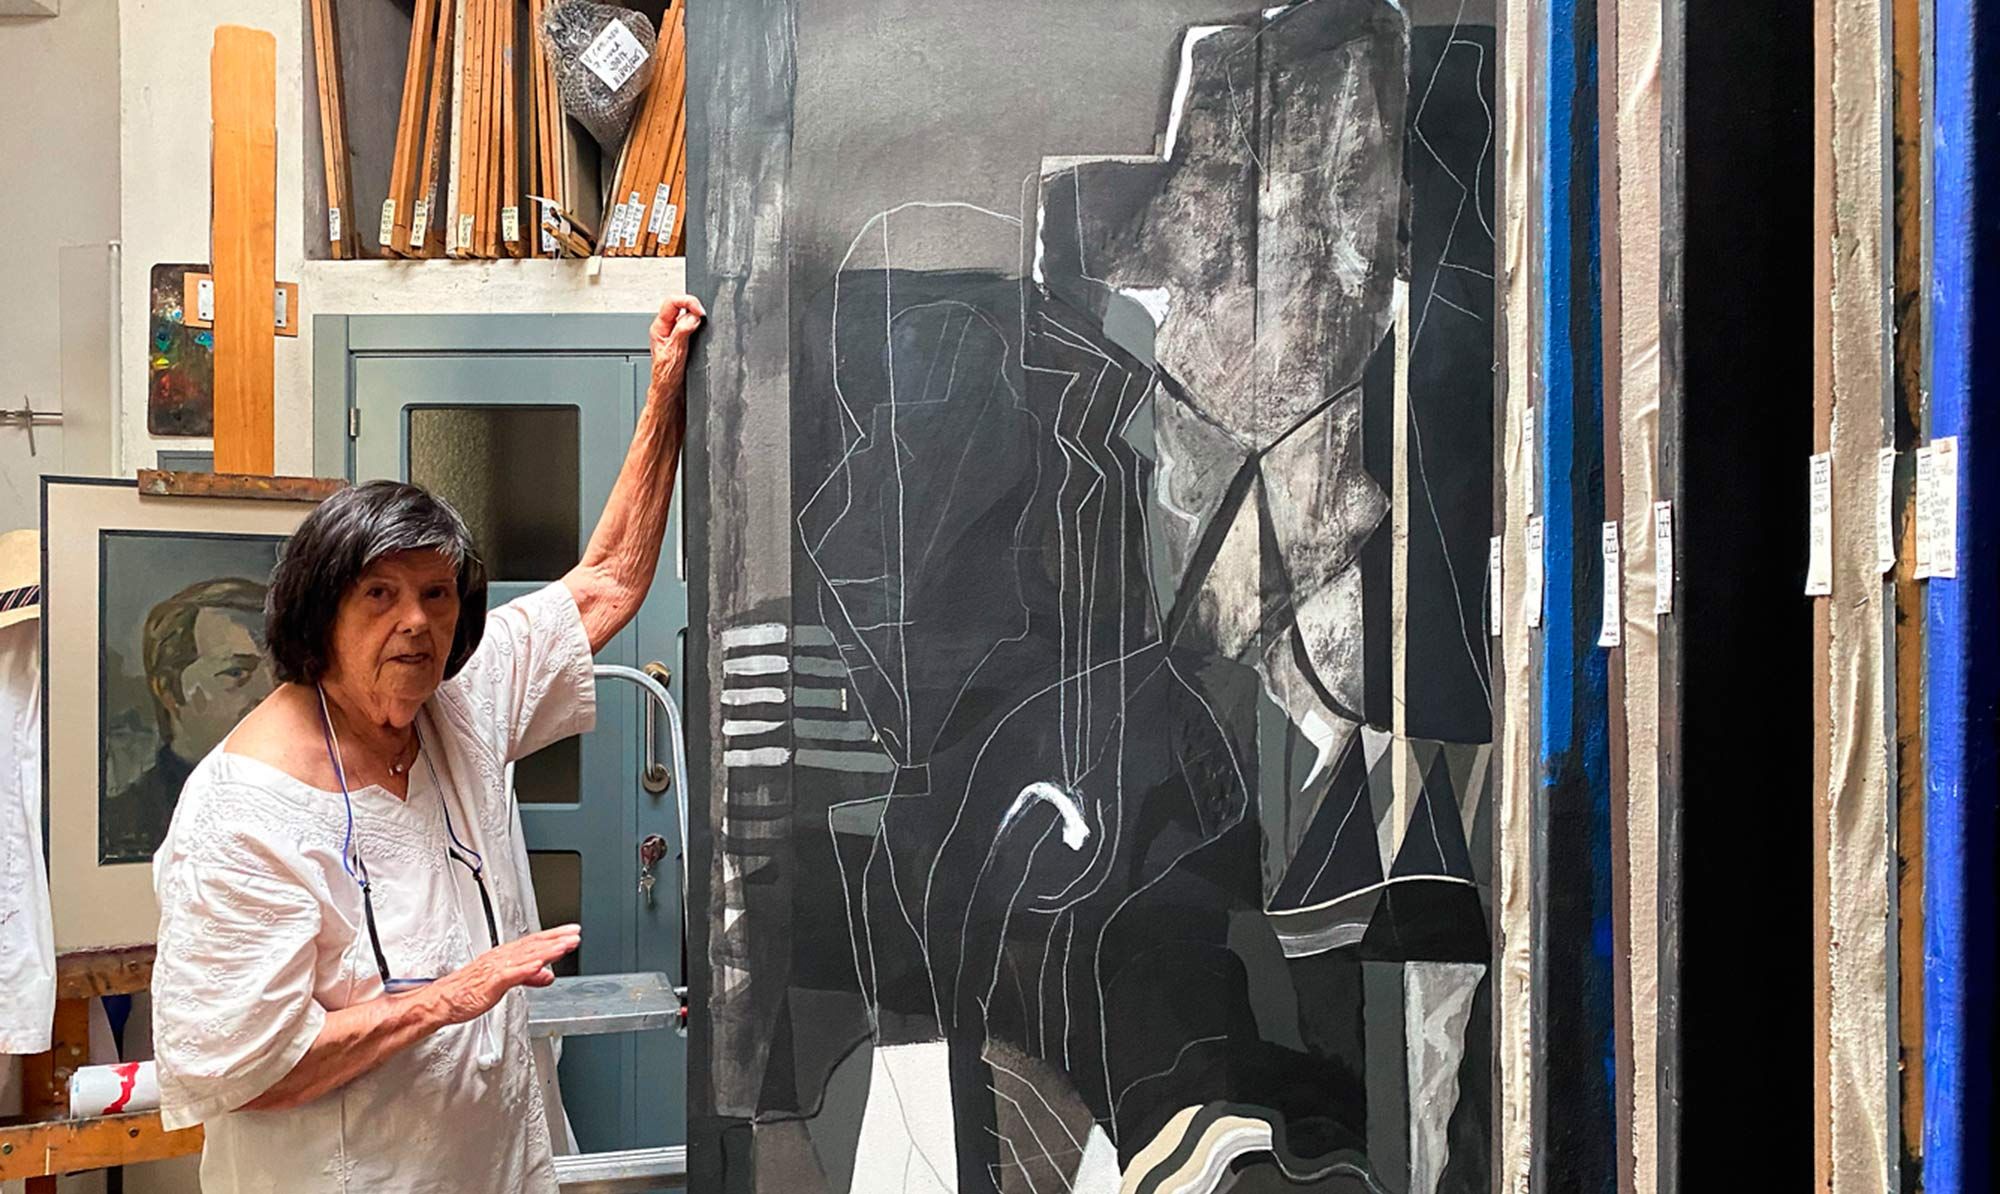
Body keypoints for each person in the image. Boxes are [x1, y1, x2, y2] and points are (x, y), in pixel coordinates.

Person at [149, 294, 704, 1193]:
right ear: (319, 614)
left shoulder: (459, 702)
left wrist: (666, 391)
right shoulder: (242, 816)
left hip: (497, 1164)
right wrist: (450, 997)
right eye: (380, 595)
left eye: (437, 595)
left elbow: (606, 581)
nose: (415, 622)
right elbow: (245, 1072)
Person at [109, 577, 275, 860]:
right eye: (236, 673)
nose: (270, 693)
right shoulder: (125, 823)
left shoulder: (315, 808)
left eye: (281, 673)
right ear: (169, 691)